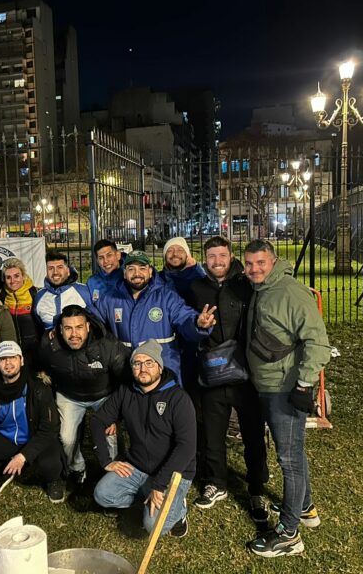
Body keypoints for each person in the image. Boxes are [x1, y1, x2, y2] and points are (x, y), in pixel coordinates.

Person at [242, 239, 331, 557]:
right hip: (268, 385)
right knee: (293, 452)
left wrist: (304, 385)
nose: (254, 269)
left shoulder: (290, 292)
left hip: (285, 388)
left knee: (289, 460)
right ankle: (305, 508)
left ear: (273, 261)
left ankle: (289, 533)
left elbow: (318, 342)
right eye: (249, 263)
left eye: (260, 263)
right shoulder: (263, 288)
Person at [186, 236, 269, 522]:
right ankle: (216, 483)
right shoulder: (196, 288)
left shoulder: (246, 283)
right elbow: (188, 325)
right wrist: (199, 326)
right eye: (211, 256)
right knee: (212, 433)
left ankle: (257, 486)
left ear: (230, 255)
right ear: (204, 258)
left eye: (222, 255)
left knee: (253, 433)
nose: (217, 261)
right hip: (212, 371)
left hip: (246, 374)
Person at [91, 340, 196, 538]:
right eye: (137, 363)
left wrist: (160, 484)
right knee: (102, 494)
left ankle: (179, 510)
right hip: (137, 465)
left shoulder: (178, 398)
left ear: (159, 366)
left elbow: (187, 447)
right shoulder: (126, 391)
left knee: (153, 527)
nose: (142, 369)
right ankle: (148, 497)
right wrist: (106, 461)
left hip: (173, 473)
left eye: (149, 363)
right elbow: (98, 420)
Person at [0, 341, 66, 503]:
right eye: (3, 359)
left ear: (21, 361)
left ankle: (53, 480)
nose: (8, 363)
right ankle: (2, 473)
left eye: (13, 358)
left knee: (50, 465)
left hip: (35, 436)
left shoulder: (38, 387)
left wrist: (23, 456)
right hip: (5, 437)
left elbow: (49, 429)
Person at [37, 304, 131, 484]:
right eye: (68, 328)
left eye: (79, 327)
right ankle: (77, 468)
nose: (74, 334)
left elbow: (126, 381)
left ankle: (112, 474)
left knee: (109, 436)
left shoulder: (108, 345)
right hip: (69, 396)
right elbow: (41, 366)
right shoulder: (49, 345)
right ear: (59, 329)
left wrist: (115, 414)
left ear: (88, 326)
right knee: (67, 438)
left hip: (105, 395)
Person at [96, 250, 216, 384]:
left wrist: (197, 323)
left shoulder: (166, 297)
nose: (137, 274)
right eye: (131, 269)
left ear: (151, 272)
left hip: (165, 371)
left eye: (142, 268)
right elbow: (94, 322)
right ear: (124, 273)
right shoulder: (110, 299)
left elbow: (184, 316)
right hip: (127, 372)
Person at [33, 250, 93, 331]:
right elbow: (39, 325)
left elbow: (94, 322)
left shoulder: (84, 292)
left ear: (68, 271)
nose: (55, 272)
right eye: (51, 268)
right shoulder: (39, 297)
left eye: (60, 267)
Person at [0, 257, 42, 365]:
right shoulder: (1, 295)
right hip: (12, 352)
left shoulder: (35, 293)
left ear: (23, 276)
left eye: (16, 276)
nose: (13, 281)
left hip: (35, 352)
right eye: (8, 277)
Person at [87, 239, 123, 304]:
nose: (105, 261)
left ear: (118, 255)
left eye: (109, 255)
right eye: (101, 258)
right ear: (97, 261)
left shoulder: (130, 277)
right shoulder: (92, 282)